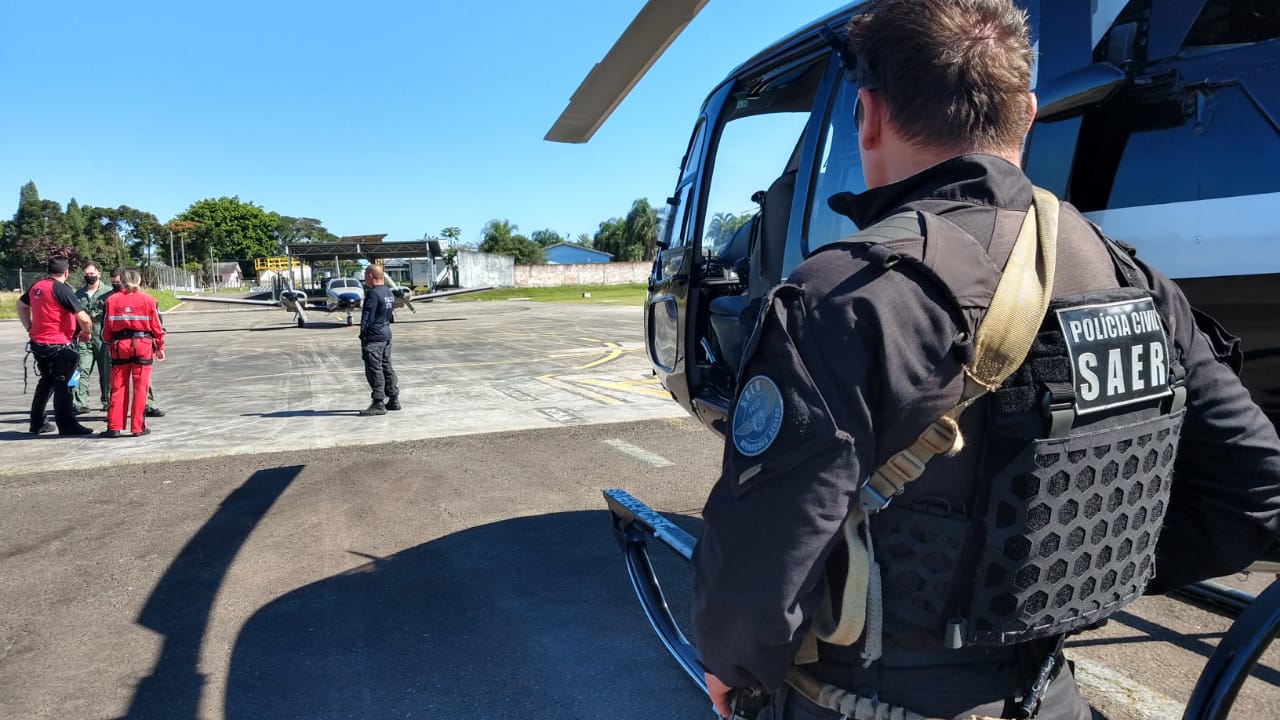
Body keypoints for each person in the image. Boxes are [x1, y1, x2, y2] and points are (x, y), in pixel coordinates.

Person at [690, 2, 1280, 720]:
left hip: (865, 701)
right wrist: (1078, 576)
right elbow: (1254, 488)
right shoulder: (1131, 279)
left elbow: (764, 556)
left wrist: (733, 668)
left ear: (868, 117)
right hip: (1048, 695)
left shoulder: (841, 296)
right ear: (1027, 115)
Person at [17, 256, 95, 436]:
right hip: (60, 345)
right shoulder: (61, 289)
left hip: (39, 344)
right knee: (64, 385)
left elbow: (21, 305)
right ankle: (67, 425)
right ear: (66, 272)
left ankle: (37, 422)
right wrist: (87, 333)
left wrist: (29, 326)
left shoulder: (37, 286)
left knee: (46, 382)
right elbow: (84, 318)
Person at [101, 268, 166, 438]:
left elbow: (105, 330)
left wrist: (110, 344)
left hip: (120, 346)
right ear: (139, 280)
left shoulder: (111, 300)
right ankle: (138, 427)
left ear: (121, 281)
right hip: (142, 345)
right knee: (141, 387)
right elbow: (158, 327)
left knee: (118, 387)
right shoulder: (149, 300)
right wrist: (160, 347)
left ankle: (114, 427)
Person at [358, 264, 400, 416]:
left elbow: (367, 317)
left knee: (374, 369)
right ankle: (393, 398)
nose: (364, 279)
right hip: (386, 334)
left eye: (365, 276)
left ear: (370, 276)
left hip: (374, 337)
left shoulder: (373, 294)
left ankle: (378, 402)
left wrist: (363, 334)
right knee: (386, 367)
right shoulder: (388, 292)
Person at [72, 262, 113, 414]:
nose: (89, 276)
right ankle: (80, 402)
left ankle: (107, 401)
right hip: (84, 337)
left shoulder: (108, 292)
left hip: (103, 336)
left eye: (92, 273)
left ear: (99, 274)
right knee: (82, 369)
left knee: (106, 371)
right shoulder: (78, 294)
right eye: (86, 274)